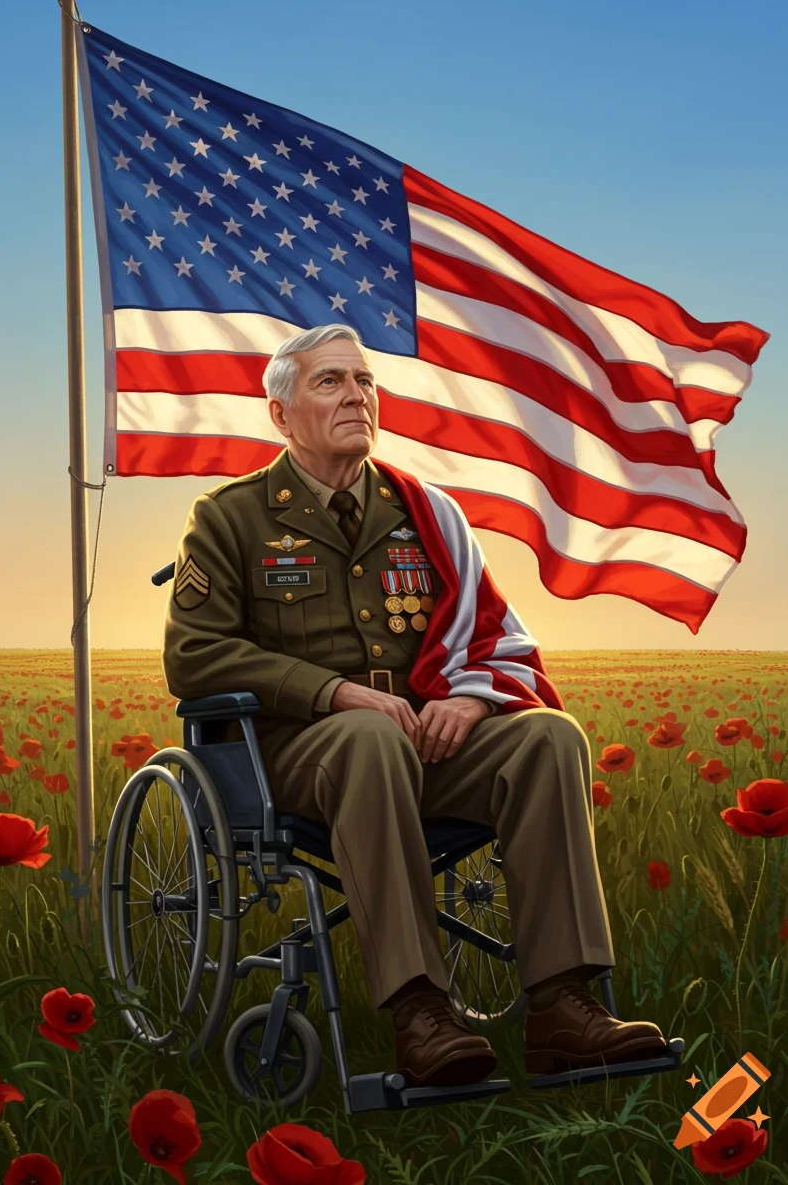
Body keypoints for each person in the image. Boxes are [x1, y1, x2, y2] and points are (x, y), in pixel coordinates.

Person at [162, 322, 667, 1088]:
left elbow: (483, 633)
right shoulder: (231, 517)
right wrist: (333, 691)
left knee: (548, 738)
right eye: (330, 381)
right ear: (281, 414)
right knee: (367, 737)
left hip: (421, 742)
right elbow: (194, 654)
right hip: (295, 754)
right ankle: (420, 1010)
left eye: (364, 381)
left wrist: (471, 701)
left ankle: (563, 1005)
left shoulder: (422, 512)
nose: (356, 396)